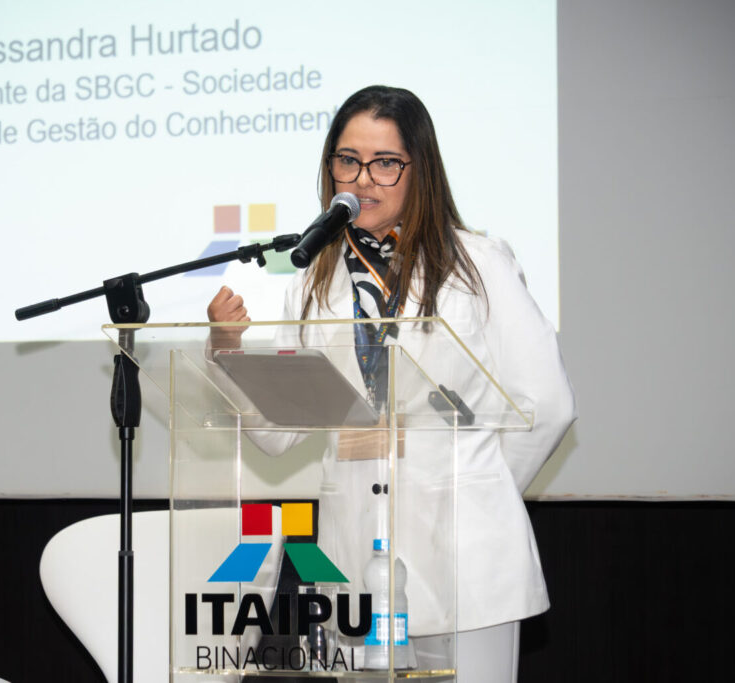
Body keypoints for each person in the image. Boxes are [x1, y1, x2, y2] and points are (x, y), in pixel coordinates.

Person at [207, 85, 576, 683]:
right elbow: (278, 435)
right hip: (355, 556)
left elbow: (548, 404)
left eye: (385, 163)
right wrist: (226, 350)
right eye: (347, 160)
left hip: (468, 556)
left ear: (419, 169)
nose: (363, 180)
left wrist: (475, 490)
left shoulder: (480, 264)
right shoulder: (312, 281)